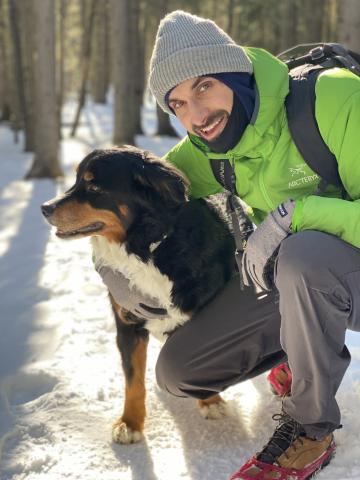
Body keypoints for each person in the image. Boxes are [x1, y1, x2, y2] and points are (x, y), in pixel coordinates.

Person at [98, 10, 360, 480]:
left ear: (236, 75)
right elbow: (144, 197)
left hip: (340, 274)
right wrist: (115, 267)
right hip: (300, 285)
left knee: (302, 253)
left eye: (203, 86)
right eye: (177, 103)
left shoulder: (335, 98)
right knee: (180, 372)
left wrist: (292, 217)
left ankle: (309, 430)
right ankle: (300, 352)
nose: (196, 116)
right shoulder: (206, 151)